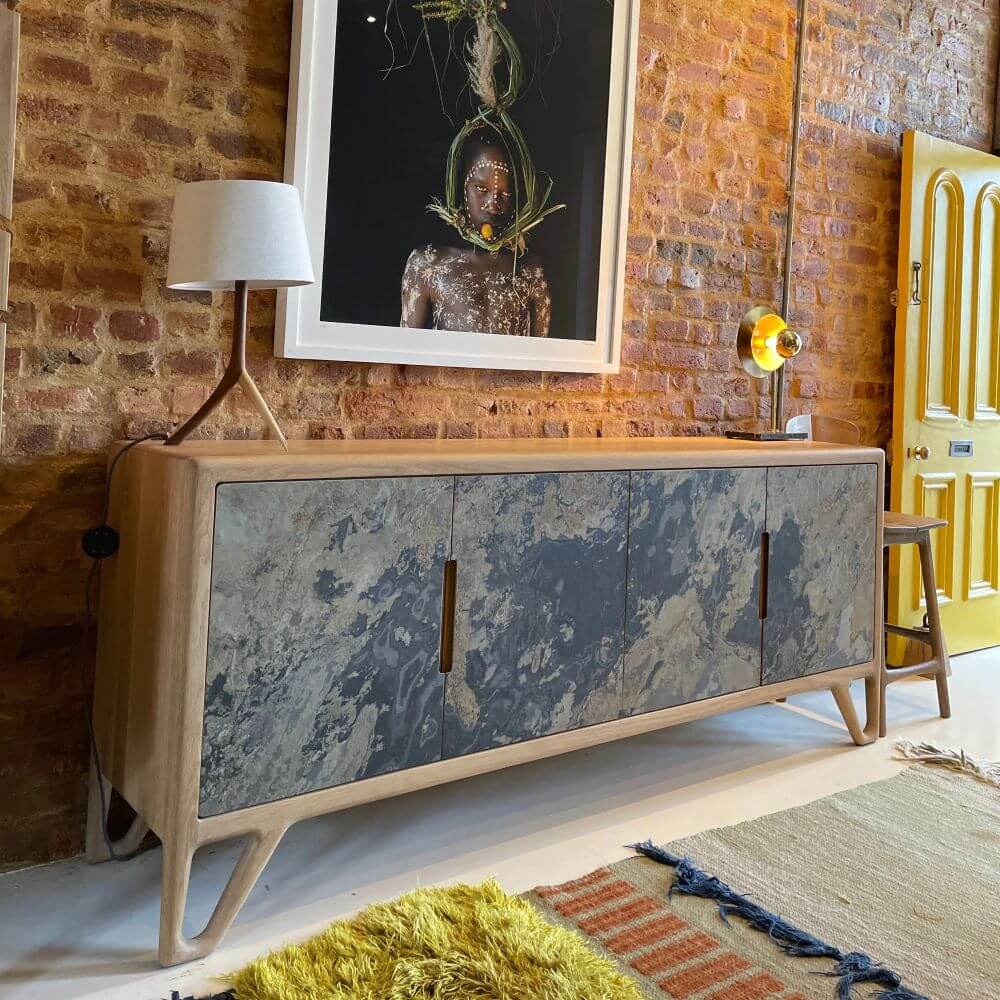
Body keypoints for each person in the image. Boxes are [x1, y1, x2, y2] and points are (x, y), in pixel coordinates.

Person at [400, 133, 551, 337]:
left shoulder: (531, 272)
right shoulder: (428, 263)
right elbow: (405, 357)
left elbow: (541, 362)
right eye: (481, 188)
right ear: (461, 187)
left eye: (505, 194)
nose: (493, 206)